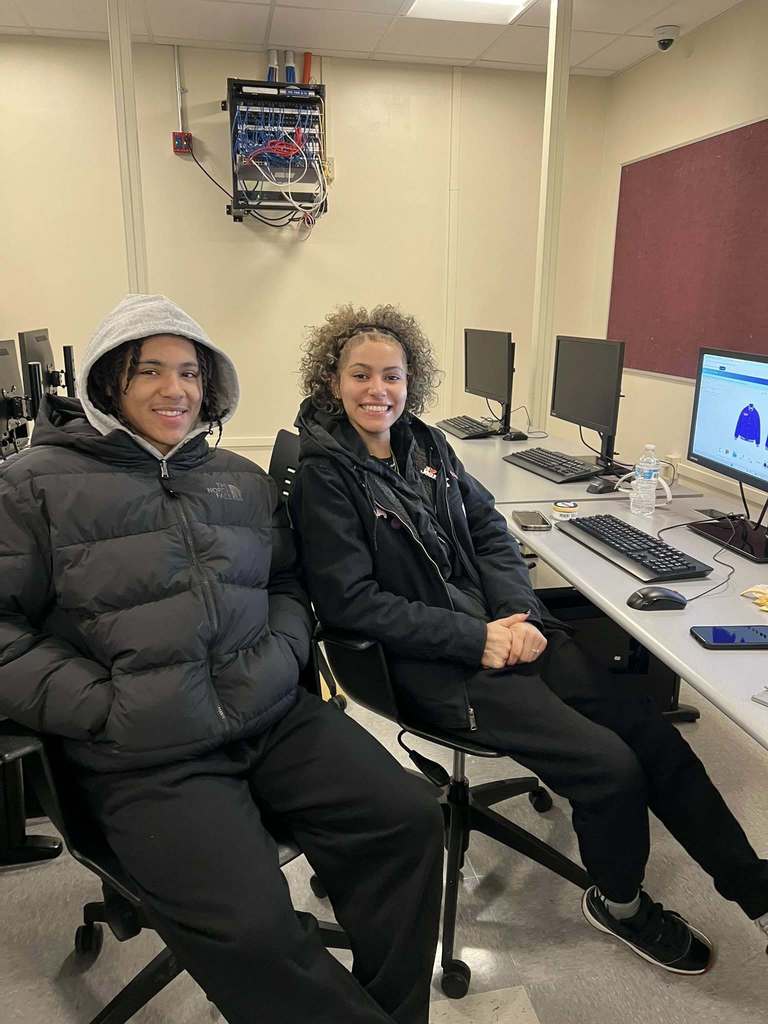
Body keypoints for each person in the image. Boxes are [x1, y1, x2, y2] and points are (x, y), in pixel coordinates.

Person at [0, 294, 444, 1024]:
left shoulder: (240, 481)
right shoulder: (32, 487)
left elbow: (286, 584)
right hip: (149, 749)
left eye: (190, 374)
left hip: (270, 714)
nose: (174, 391)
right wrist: (101, 703)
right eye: (150, 371)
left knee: (407, 818)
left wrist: (282, 649)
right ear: (110, 382)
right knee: (256, 929)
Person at [291, 302, 768, 977]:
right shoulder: (324, 476)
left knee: (651, 731)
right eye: (361, 376)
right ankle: (620, 904)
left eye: (392, 376)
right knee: (610, 768)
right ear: (332, 381)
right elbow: (352, 603)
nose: (379, 391)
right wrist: (473, 639)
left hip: (505, 631)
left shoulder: (425, 445)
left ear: (411, 381)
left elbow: (488, 532)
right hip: (428, 662)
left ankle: (756, 893)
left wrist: (518, 613)